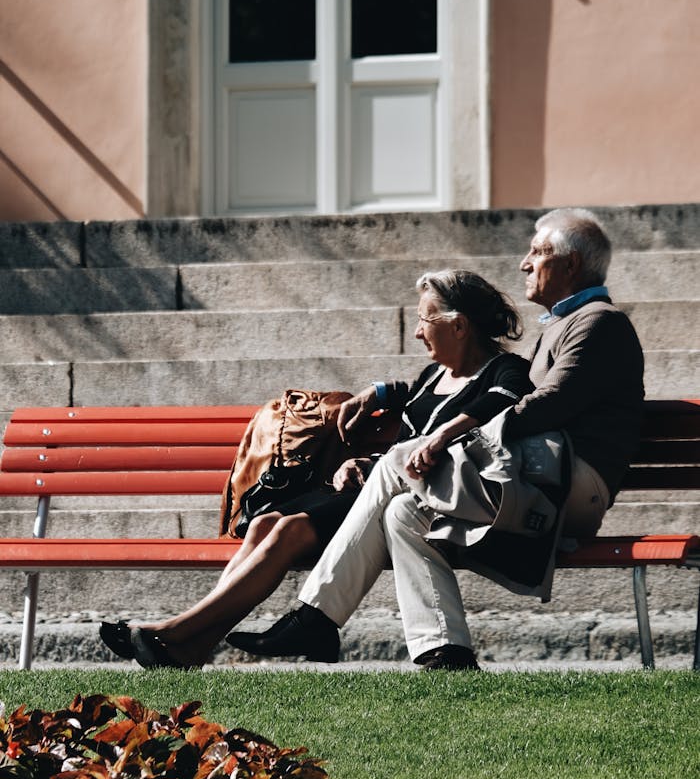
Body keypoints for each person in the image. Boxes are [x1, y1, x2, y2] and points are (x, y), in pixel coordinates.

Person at [227, 208, 645, 671]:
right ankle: (444, 653)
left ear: (570, 265)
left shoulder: (598, 323)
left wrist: (449, 436)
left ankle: (316, 615)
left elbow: (546, 404)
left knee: (394, 464)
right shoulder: (566, 325)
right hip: (536, 474)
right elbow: (472, 390)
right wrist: (390, 392)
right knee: (403, 512)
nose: (525, 263)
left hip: (571, 485)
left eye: (538, 252)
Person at [99, 269, 531, 668]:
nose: (417, 331)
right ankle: (195, 644)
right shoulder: (432, 377)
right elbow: (406, 425)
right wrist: (374, 408)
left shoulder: (505, 370)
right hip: (372, 487)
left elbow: (508, 398)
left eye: (425, 320)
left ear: (458, 326)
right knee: (264, 523)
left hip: (422, 501)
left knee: (288, 532)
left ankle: (179, 631)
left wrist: (440, 435)